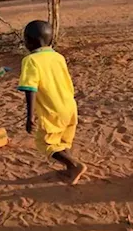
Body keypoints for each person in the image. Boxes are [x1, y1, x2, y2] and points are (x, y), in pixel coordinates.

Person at [17, 20, 87, 185]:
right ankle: (70, 170)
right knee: (63, 139)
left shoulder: (31, 61)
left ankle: (74, 166)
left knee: (45, 143)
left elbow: (30, 89)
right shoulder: (58, 57)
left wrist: (30, 116)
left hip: (52, 110)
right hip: (69, 106)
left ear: (30, 42)